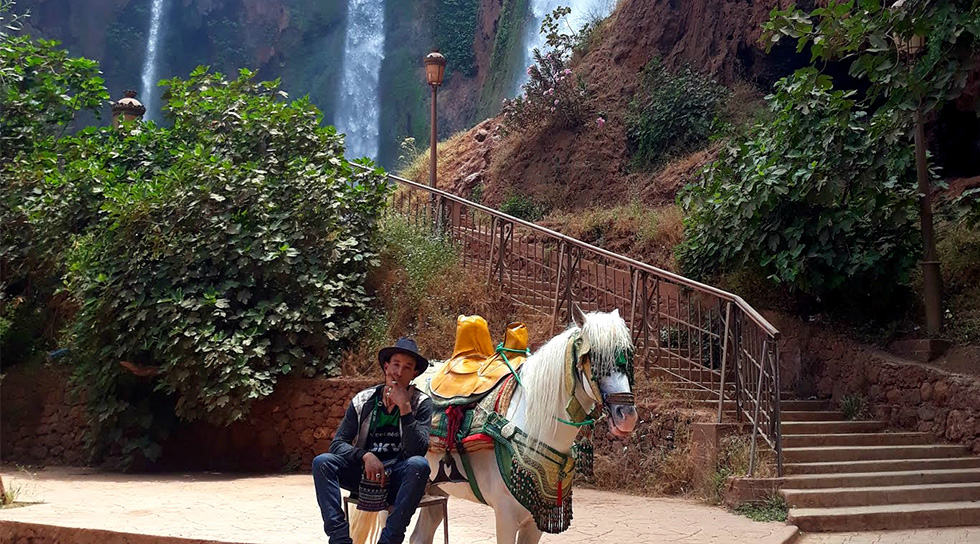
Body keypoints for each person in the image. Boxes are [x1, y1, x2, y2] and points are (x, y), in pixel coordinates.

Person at [312, 337, 434, 544]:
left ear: (414, 374)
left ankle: (389, 541)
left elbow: (418, 451)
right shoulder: (363, 400)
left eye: (407, 367)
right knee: (322, 462)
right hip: (364, 476)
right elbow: (338, 443)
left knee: (419, 465)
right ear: (386, 366)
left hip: (397, 478)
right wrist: (365, 456)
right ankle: (340, 539)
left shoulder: (421, 403)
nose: (399, 372)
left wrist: (405, 408)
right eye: (395, 364)